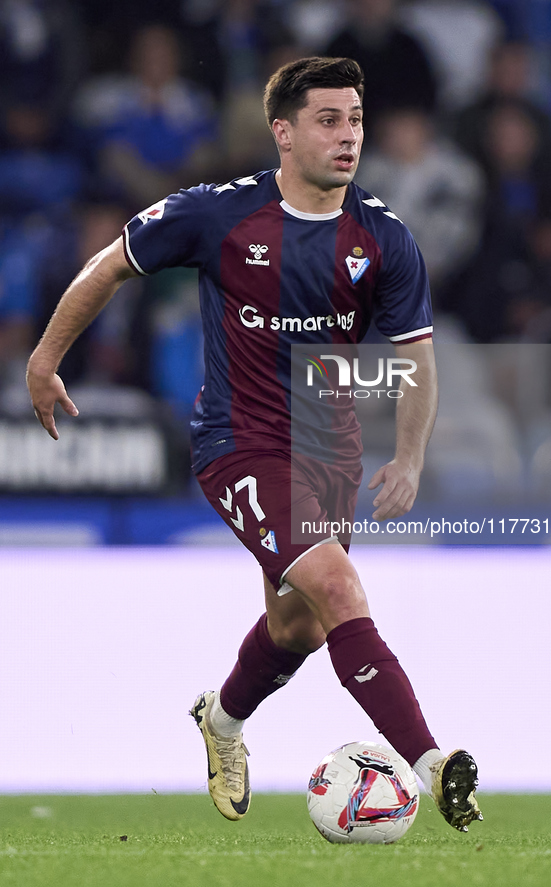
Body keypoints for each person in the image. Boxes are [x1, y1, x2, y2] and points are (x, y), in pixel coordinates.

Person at [26, 56, 482, 833]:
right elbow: (112, 264)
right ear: (283, 131)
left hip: (330, 453)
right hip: (239, 443)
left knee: (299, 625)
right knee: (338, 589)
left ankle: (223, 717)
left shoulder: (383, 236)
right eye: (328, 121)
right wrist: (44, 358)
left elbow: (417, 357)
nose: (348, 137)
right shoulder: (217, 214)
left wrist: (407, 457)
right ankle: (433, 764)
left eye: (356, 120)